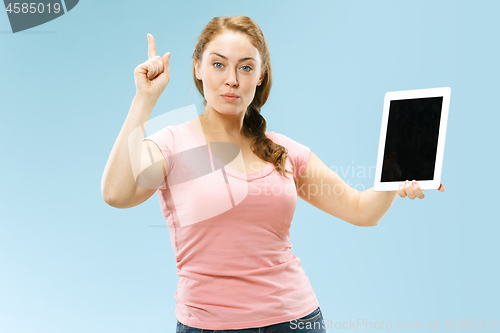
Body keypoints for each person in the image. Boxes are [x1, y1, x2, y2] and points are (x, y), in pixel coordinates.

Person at [101, 16, 445, 333]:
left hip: (296, 320)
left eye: (246, 67)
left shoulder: (284, 150)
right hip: (206, 325)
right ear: (198, 67)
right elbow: (116, 193)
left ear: (261, 75)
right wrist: (144, 100)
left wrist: (392, 181)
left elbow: (360, 210)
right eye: (218, 64)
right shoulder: (171, 142)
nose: (232, 79)